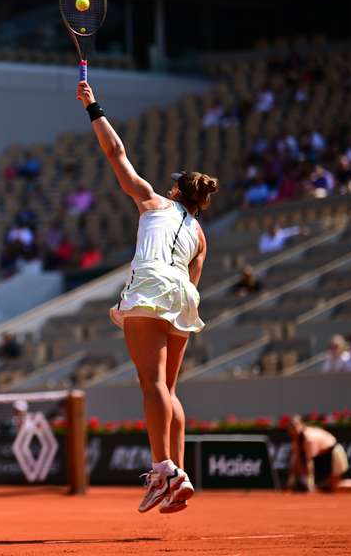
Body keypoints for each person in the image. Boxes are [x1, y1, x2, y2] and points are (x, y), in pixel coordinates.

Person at [79, 79, 217, 514]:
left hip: (152, 284)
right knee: (170, 389)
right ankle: (178, 472)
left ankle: (164, 469)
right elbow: (194, 284)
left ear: (177, 191)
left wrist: (93, 107)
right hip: (184, 294)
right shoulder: (200, 235)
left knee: (151, 384)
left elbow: (116, 154)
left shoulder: (152, 201)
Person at [286, 415, 351, 492]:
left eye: (295, 426)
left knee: (334, 486)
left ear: (301, 425)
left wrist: (309, 482)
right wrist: (292, 478)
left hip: (334, 454)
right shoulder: (297, 440)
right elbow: (296, 459)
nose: (294, 429)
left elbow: (309, 462)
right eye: (291, 427)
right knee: (331, 486)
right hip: (325, 457)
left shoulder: (309, 438)